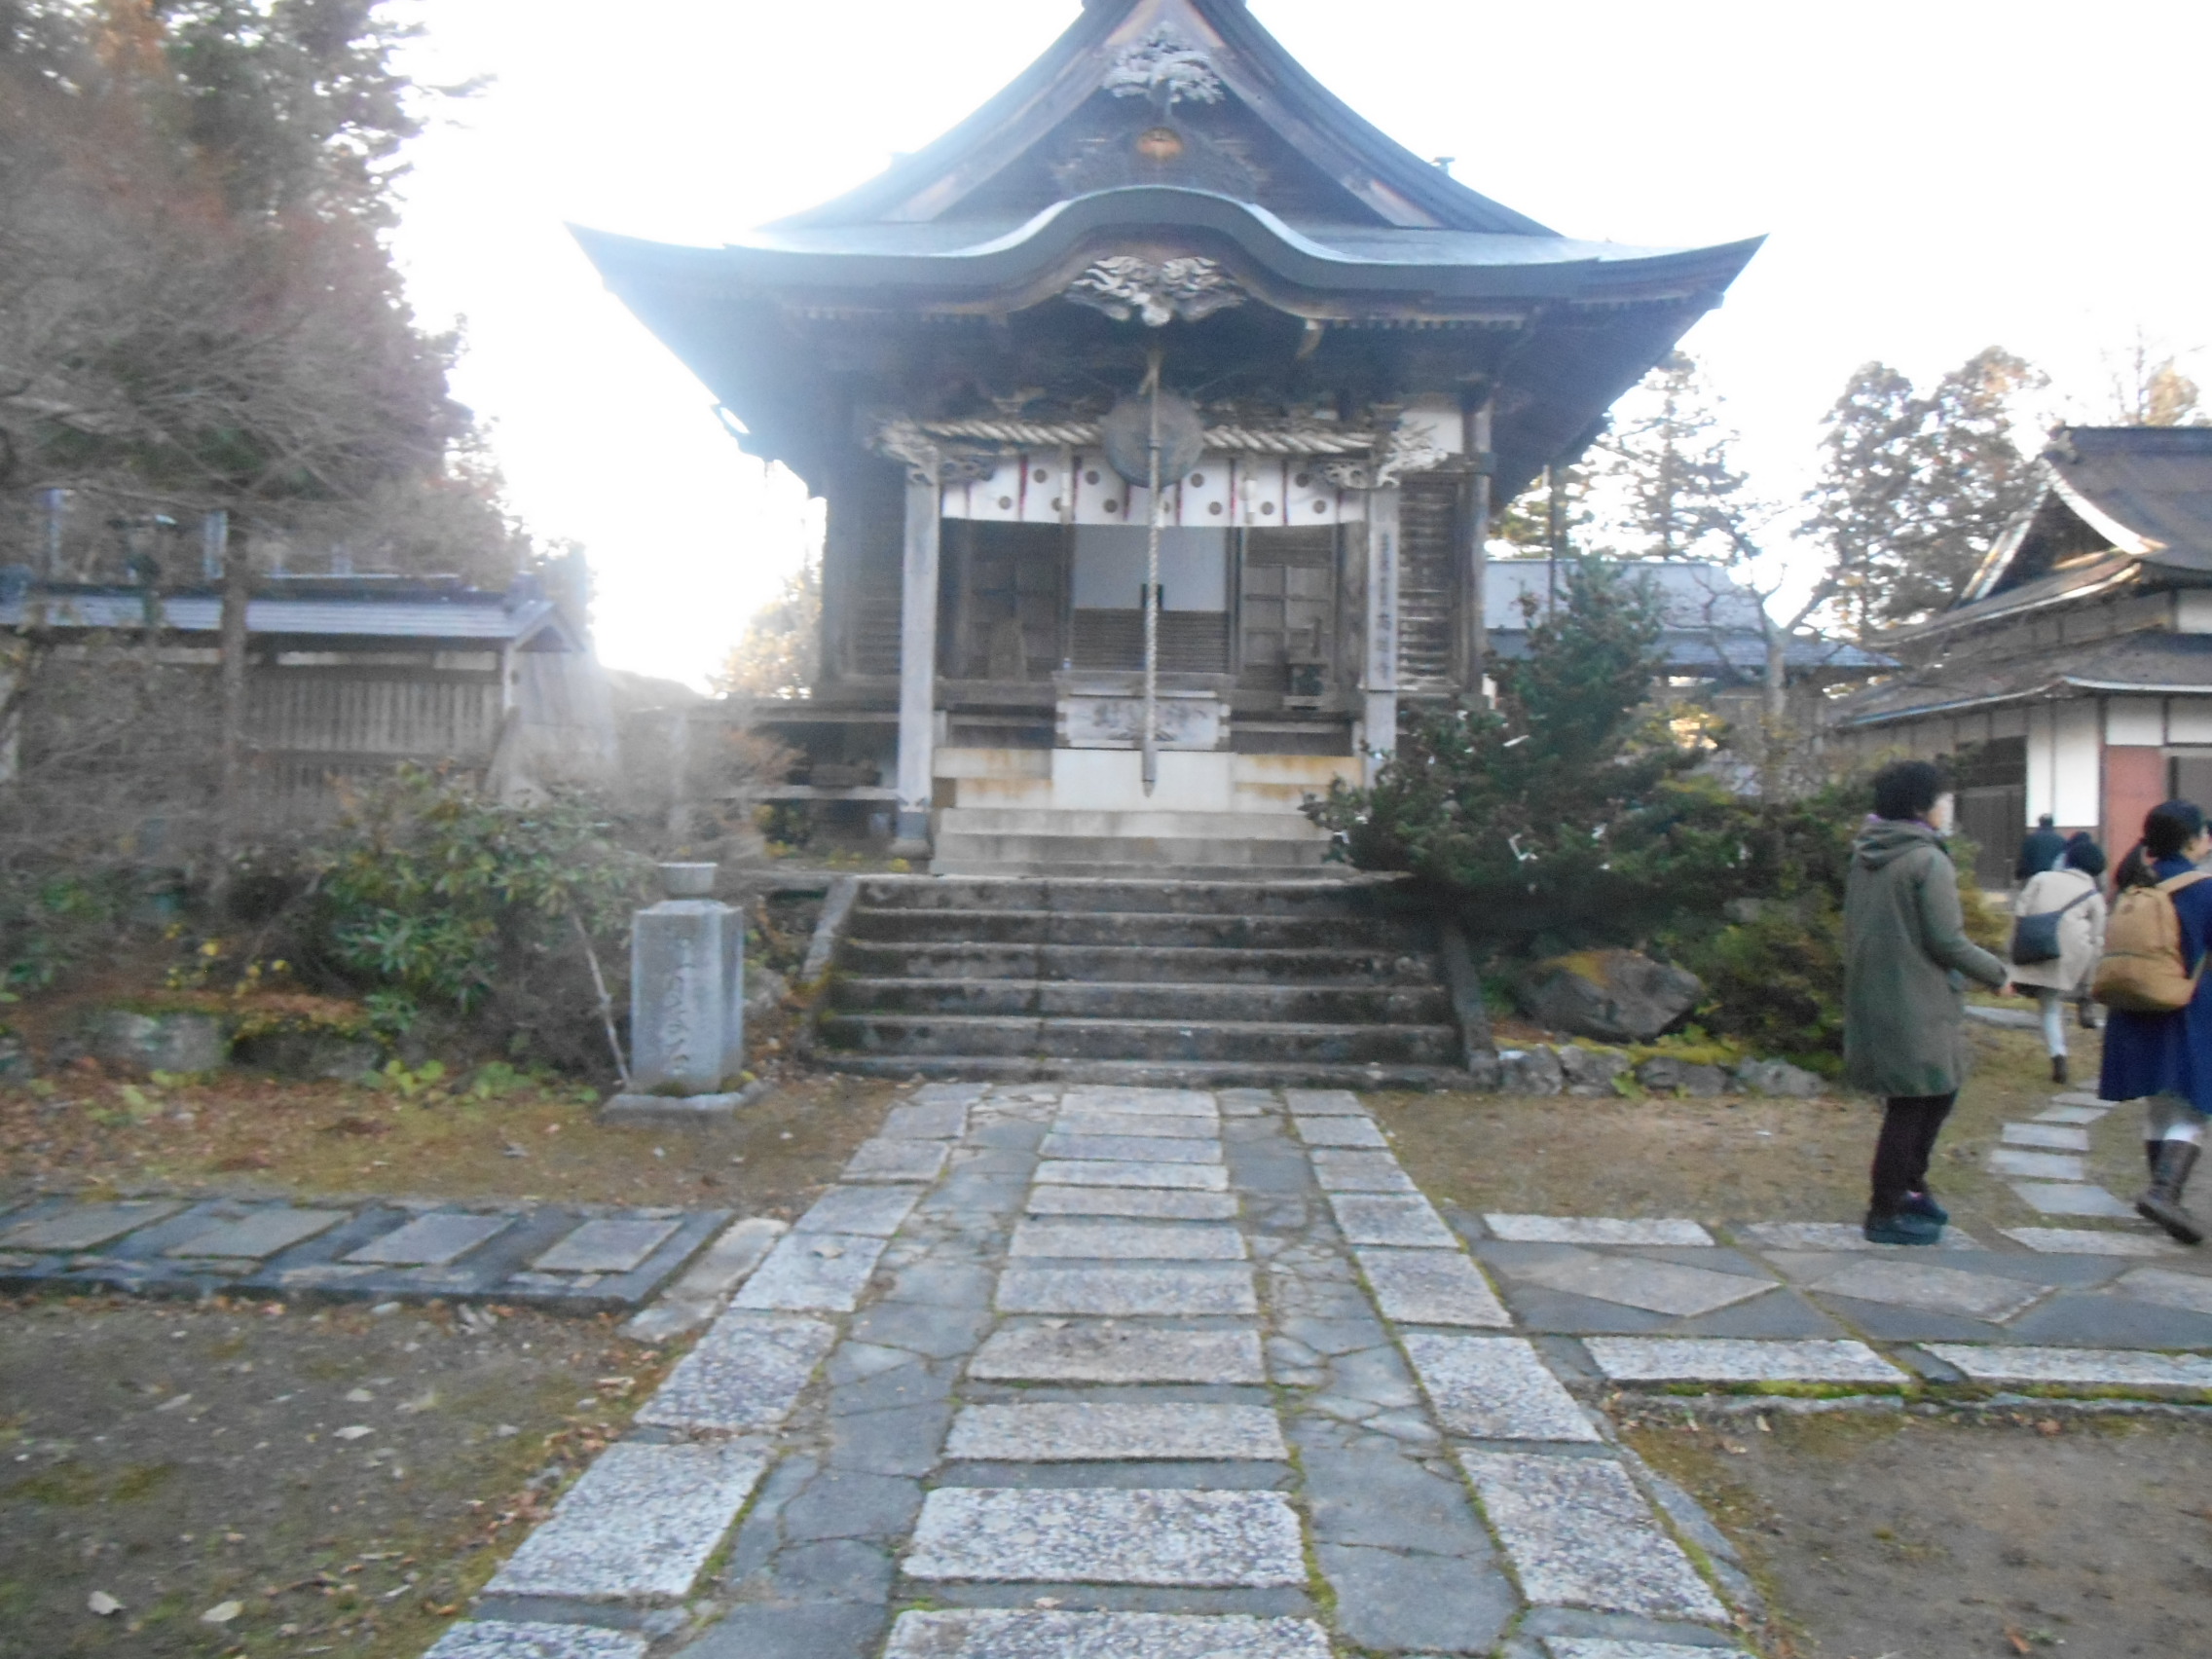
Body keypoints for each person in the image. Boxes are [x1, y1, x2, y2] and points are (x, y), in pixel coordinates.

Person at [1846, 759, 2012, 1244]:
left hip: (1878, 990)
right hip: (1917, 995)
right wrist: (1998, 974)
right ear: (1921, 806)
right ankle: (1888, 1205)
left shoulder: (1866, 854)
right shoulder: (1927, 860)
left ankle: (1910, 1189)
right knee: (1917, 1101)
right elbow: (1947, 941)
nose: (1947, 808)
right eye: (1942, 800)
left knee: (1929, 1093)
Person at [2099, 799, 2212, 1244]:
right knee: (2192, 1109)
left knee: (2160, 1107)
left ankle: (2163, 1195)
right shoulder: (2202, 889)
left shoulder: (2133, 884)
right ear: (2190, 839)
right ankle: (2164, 1192)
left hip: (2135, 1008)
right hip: (2188, 1010)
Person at [2008, 838, 2107, 1085]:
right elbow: (2097, 935)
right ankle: (2084, 996)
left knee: (2048, 1006)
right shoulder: (2094, 895)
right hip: (2071, 955)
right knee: (2053, 998)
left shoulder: (2042, 878)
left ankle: (2058, 1054)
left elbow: (2020, 911)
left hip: (2034, 945)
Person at [2016, 813, 2067, 882]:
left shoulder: (2031, 839)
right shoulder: (2061, 840)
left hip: (2035, 876)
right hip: (2054, 876)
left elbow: (2025, 858)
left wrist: (2020, 874)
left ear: (2040, 823)